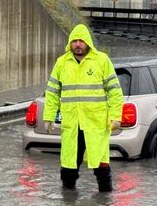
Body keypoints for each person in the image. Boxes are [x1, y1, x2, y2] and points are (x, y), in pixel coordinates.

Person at [43, 24, 123, 192]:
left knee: (101, 166)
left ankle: (104, 205)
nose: (78, 44)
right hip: (72, 124)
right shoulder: (62, 63)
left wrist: (116, 116)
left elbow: (115, 91)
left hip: (95, 124)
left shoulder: (101, 60)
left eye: (81, 41)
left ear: (88, 42)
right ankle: (68, 205)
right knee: (68, 166)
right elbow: (52, 92)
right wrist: (49, 117)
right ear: (70, 43)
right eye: (74, 41)